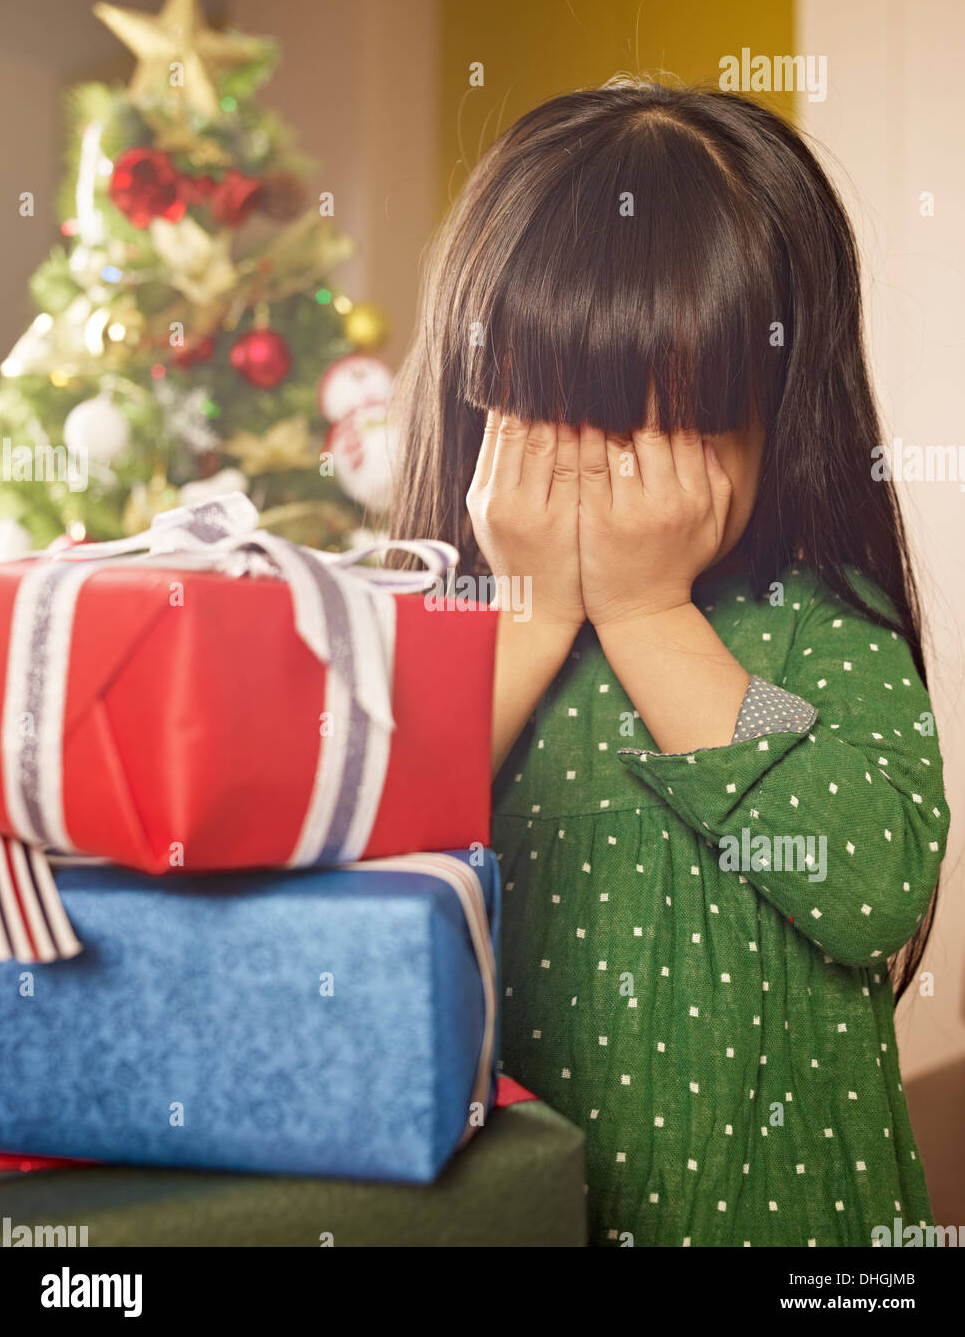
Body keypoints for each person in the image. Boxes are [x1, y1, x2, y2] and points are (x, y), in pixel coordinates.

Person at [389, 78, 948, 1246]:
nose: (604, 480)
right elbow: (363, 846)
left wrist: (648, 617)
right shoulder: (443, 630)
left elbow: (871, 888)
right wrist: (534, 614)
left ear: (780, 411)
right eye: (556, 424)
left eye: (668, 427)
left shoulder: (818, 621)